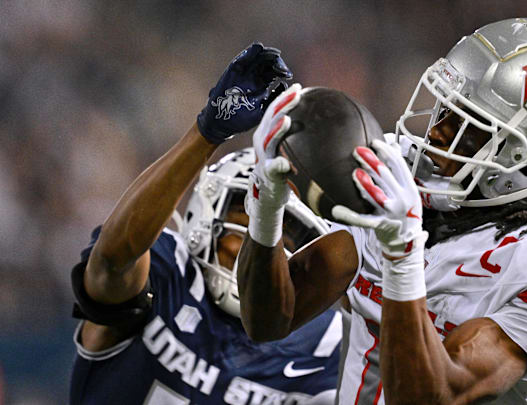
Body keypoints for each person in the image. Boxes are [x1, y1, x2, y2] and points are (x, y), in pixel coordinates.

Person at [237, 18, 527, 404]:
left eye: (472, 128)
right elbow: (269, 320)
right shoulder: (405, 179)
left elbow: (434, 397)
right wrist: (266, 207)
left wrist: (401, 258)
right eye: (446, 110)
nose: (437, 133)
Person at [70, 43, 342, 404]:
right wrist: (206, 134)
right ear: (209, 205)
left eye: (289, 238)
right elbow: (110, 262)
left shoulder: (327, 351)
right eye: (244, 214)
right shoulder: (167, 273)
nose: (252, 244)